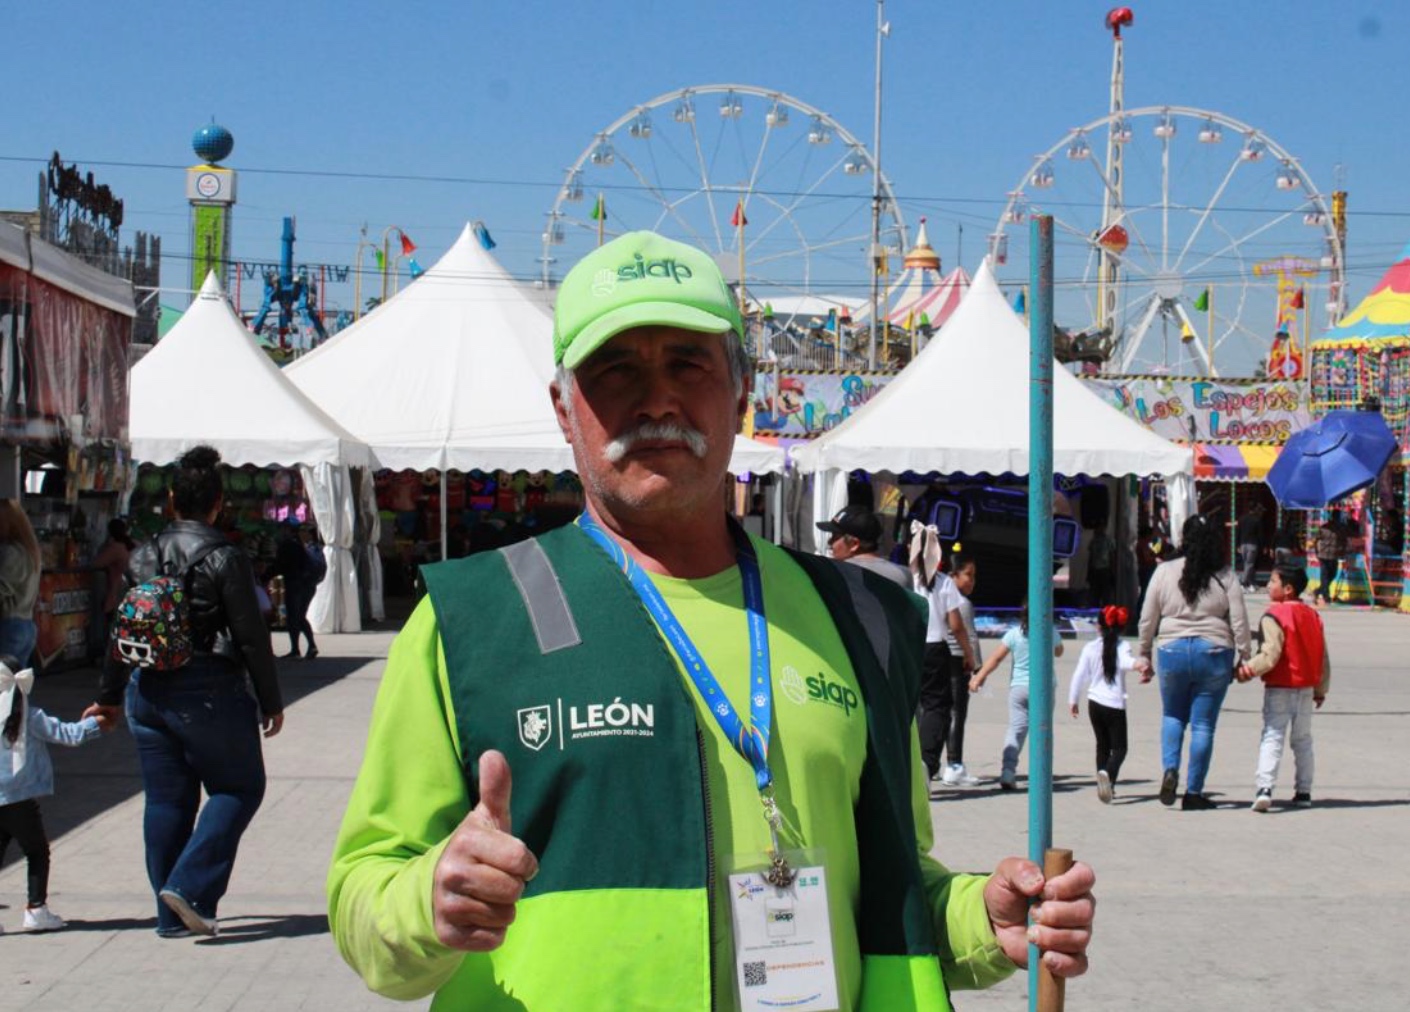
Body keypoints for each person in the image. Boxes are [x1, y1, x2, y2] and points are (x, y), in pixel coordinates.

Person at [327, 231, 1095, 1010]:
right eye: (616, 369)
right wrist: (429, 898)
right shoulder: (472, 621)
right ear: (563, 408)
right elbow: (365, 894)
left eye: (687, 364)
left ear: (740, 393)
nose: (657, 400)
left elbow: (896, 883)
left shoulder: (860, 618)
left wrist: (982, 920)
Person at [85, 445, 284, 938]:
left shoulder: (142, 555)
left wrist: (108, 698)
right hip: (209, 690)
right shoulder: (225, 557)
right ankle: (190, 888)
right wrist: (271, 700)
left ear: (171, 499)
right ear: (219, 503)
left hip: (147, 692)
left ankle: (169, 916)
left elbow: (122, 635)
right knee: (239, 788)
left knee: (166, 803)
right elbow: (251, 636)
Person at [1135, 514, 1251, 810]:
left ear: (1184, 538)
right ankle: (1194, 792)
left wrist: (1144, 652)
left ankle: (1170, 768)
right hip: (1214, 651)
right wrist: (1245, 655)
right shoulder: (1225, 575)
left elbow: (1148, 616)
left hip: (1171, 649)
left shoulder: (1164, 571)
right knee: (1203, 725)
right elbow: (1239, 619)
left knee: (1173, 716)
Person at [1, 656, 103, 932]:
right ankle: (36, 909)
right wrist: (96, 724)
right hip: (19, 798)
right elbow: (68, 735)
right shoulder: (30, 717)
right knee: (36, 851)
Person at [1237, 565, 1331, 813]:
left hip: (1280, 686)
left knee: (1273, 736)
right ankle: (1304, 791)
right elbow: (1322, 656)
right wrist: (1321, 688)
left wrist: (1247, 670)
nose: (1268, 585)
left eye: (1272, 581)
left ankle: (1264, 788)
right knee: (1302, 740)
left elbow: (1270, 654)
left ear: (1287, 589)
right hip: (1306, 687)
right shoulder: (1313, 616)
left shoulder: (1274, 615)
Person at [910, 522, 979, 784]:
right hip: (935, 648)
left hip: (910, 646)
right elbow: (956, 625)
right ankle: (927, 763)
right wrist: (969, 654)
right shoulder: (943, 583)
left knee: (912, 706)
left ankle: (910, 761)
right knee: (937, 707)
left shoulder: (906, 579)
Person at [970, 599, 1062, 791]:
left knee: (1016, 729)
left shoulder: (1014, 634)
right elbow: (1059, 652)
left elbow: (996, 658)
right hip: (1043, 689)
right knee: (1042, 730)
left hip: (1019, 688)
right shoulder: (1049, 632)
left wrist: (979, 677)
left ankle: (1008, 771)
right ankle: (1042, 773)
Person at [1066, 605, 1137, 805]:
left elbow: (1079, 675)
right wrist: (1139, 664)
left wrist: (1073, 699)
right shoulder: (1123, 646)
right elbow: (1126, 662)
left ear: (1098, 626)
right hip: (1114, 704)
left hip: (1094, 703)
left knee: (1102, 746)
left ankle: (1104, 784)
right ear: (1122, 628)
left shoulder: (1090, 647)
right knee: (1120, 749)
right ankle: (1108, 776)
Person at [940, 551, 982, 786]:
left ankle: (930, 762)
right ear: (953, 575)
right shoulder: (962, 604)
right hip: (958, 661)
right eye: (968, 575)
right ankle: (954, 764)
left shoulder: (938, 597)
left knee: (937, 711)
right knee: (957, 712)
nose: (972, 581)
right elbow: (970, 636)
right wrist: (977, 665)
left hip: (938, 658)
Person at [815, 504, 911, 588]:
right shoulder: (903, 574)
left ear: (854, 544)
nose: (829, 542)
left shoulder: (833, 573)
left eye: (835, 537)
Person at [267, 520, 320, 659]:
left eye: (282, 529)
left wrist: (263, 576)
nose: (280, 532)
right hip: (308, 585)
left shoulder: (287, 545)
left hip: (294, 584)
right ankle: (311, 646)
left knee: (293, 617)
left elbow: (279, 566)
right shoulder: (303, 545)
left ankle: (296, 649)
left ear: (288, 530)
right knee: (300, 616)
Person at [0, 500, 42, 666]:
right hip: (26, 624)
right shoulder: (30, 552)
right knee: (13, 679)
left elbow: (3, 588)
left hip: (9, 624)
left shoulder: (12, 553)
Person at [92, 517, 135, 654]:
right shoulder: (131, 546)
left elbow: (96, 563)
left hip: (116, 592)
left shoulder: (115, 548)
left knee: (111, 627)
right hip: (130, 593)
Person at [1312, 510, 1351, 606]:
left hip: (1331, 555)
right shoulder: (1326, 528)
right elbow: (1316, 540)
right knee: (1325, 576)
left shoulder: (1338, 528)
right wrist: (1317, 551)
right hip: (1326, 555)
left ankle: (1319, 590)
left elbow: (1344, 541)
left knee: (1331, 575)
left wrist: (1343, 551)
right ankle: (1326, 596)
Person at [1236, 503, 1265, 590]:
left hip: (1243, 544)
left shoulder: (1241, 519)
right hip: (1252, 544)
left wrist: (1237, 545)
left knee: (1247, 564)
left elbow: (1238, 533)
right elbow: (1260, 535)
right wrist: (1263, 546)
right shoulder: (1257, 520)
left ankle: (1251, 583)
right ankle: (1243, 582)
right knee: (1249, 564)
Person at [1086, 522, 1115, 606]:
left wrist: (1112, 571)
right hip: (1097, 570)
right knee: (1097, 593)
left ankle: (1102, 608)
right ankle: (1098, 608)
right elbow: (1091, 557)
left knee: (1104, 593)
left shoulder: (1108, 540)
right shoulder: (1094, 541)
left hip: (1104, 569)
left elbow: (1112, 557)